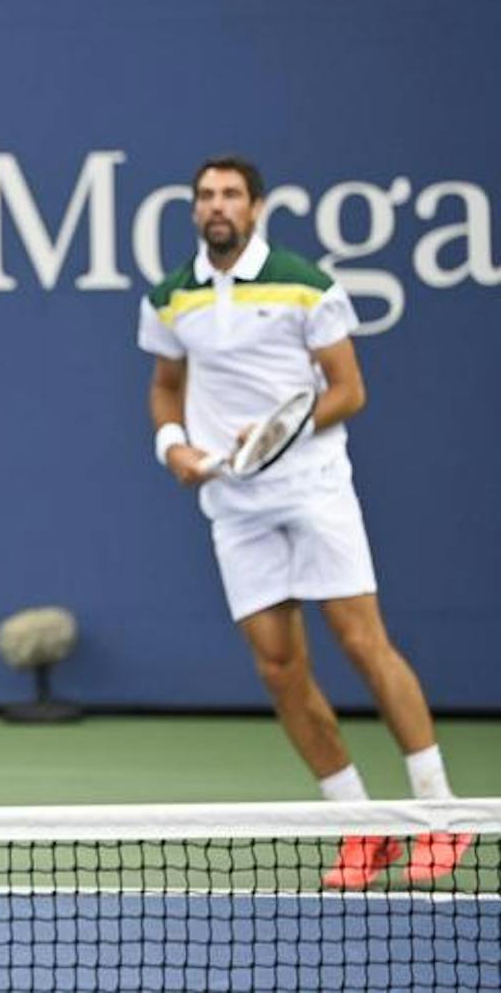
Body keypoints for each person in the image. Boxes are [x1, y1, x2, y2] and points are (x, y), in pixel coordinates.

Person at [139, 155, 474, 890]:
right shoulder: (170, 297)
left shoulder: (305, 280)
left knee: (362, 642)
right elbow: (165, 389)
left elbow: (349, 388)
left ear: (255, 207)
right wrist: (175, 446)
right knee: (279, 669)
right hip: (234, 504)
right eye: (204, 196)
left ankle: (441, 814)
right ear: (194, 210)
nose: (215, 206)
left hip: (315, 488)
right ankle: (356, 824)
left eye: (230, 194)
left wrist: (280, 433)